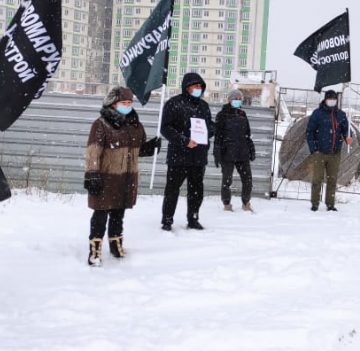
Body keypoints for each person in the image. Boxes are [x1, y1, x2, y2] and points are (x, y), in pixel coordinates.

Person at [84, 87, 159, 265]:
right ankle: (95, 250)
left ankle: (116, 245)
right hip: (105, 177)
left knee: (119, 213)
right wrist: (92, 173)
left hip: (126, 178)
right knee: (100, 214)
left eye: (129, 103)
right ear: (113, 104)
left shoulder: (135, 125)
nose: (127, 106)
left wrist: (150, 147)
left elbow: (137, 150)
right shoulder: (101, 124)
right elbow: (93, 151)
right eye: (123, 103)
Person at [160, 73, 213, 231]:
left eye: (200, 86)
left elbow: (208, 126)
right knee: (172, 189)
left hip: (198, 157)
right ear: (187, 87)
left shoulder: (204, 106)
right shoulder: (174, 103)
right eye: (195, 86)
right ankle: (167, 220)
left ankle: (193, 218)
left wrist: (211, 130)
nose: (198, 89)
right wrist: (184, 140)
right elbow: (166, 128)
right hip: (179, 156)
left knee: (196, 190)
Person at [306, 89, 352, 211]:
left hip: (335, 153)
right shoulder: (317, 114)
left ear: (336, 100)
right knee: (317, 179)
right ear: (325, 100)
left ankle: (330, 204)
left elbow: (346, 130)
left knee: (332, 180)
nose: (332, 101)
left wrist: (349, 137)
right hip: (319, 153)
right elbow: (309, 132)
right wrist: (314, 149)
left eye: (334, 99)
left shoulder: (341, 115)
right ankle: (315, 203)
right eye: (330, 99)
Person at [214, 89, 257, 213]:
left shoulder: (243, 114)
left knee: (248, 179)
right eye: (235, 98)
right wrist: (217, 152)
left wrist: (251, 148)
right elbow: (218, 136)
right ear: (229, 99)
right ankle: (227, 204)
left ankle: (246, 202)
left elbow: (247, 134)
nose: (238, 101)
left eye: (239, 99)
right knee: (227, 180)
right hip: (227, 153)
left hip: (242, 153)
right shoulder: (222, 115)